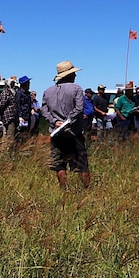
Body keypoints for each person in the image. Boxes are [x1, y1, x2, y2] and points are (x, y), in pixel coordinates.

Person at [41, 60, 90, 189]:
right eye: (73, 73)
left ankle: (63, 189)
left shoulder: (47, 91)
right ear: (68, 75)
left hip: (56, 134)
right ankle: (86, 190)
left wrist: (55, 122)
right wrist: (68, 121)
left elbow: (44, 111)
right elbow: (79, 108)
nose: (75, 76)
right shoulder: (76, 88)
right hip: (74, 132)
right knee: (81, 163)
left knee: (59, 164)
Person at [0, 77, 19, 152]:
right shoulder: (6, 92)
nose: (13, 84)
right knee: (9, 135)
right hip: (8, 116)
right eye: (12, 83)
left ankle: (6, 151)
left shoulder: (13, 91)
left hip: (12, 116)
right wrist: (2, 115)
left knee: (9, 134)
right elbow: (2, 105)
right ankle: (7, 152)